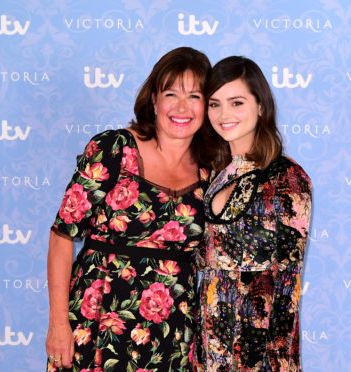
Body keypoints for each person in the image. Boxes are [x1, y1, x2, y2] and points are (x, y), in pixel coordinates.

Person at [45, 46, 214, 371]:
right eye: (171, 93)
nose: (182, 107)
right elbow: (62, 237)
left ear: (208, 106)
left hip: (174, 338)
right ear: (153, 100)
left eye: (195, 96)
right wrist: (57, 324)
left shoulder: (211, 172)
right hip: (97, 324)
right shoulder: (113, 149)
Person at [195, 56, 312, 371]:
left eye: (236, 102)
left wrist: (271, 360)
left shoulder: (287, 177)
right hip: (207, 345)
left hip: (256, 352)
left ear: (260, 106)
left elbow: (287, 280)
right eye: (215, 104)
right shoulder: (216, 173)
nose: (224, 114)